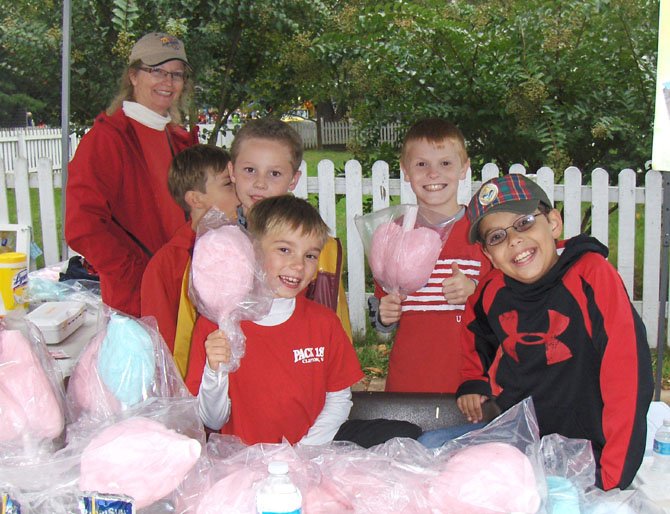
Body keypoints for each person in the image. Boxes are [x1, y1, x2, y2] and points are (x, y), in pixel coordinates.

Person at [455, 173, 653, 490]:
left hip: (590, 457)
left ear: (554, 223)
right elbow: (476, 328)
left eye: (524, 223)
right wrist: (473, 379)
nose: (513, 241)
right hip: (521, 451)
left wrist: (613, 475)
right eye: (496, 237)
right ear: (488, 255)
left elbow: (627, 373)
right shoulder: (492, 290)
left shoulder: (591, 275)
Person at [186, 195, 365, 445]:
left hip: (308, 460)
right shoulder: (216, 326)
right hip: (240, 466)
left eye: (310, 255)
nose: (298, 265)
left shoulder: (324, 324)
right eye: (284, 250)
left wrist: (302, 454)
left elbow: (338, 400)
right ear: (251, 251)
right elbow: (212, 420)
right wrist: (214, 372)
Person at [65, 32, 198, 317]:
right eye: (157, 71)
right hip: (136, 301)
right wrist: (135, 274)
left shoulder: (179, 140)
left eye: (176, 74)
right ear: (134, 76)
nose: (168, 82)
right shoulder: (107, 140)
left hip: (182, 294)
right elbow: (82, 226)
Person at [368, 118, 492, 392]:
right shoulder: (393, 234)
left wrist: (475, 290)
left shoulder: (484, 231)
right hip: (408, 379)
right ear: (406, 171)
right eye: (422, 164)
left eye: (445, 163)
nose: (433, 174)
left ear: (464, 168)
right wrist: (386, 316)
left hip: (470, 381)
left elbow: (506, 306)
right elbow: (382, 319)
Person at [229, 118, 353, 338]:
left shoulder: (321, 250)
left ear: (294, 179)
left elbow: (335, 327)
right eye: (250, 170)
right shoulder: (217, 246)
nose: (260, 183)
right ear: (232, 171)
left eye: (274, 174)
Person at [140, 144, 239, 376]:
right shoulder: (169, 263)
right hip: (195, 380)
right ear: (195, 199)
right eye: (228, 184)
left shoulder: (244, 247)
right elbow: (161, 340)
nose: (239, 189)